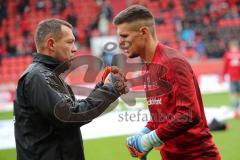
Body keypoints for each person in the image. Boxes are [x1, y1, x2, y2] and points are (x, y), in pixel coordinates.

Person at [113, 5, 221, 160]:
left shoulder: (172, 62)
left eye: (124, 36)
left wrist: (150, 139)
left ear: (144, 32)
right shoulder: (149, 67)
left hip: (197, 156)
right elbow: (164, 115)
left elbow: (189, 114)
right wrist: (146, 131)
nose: (120, 42)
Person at [14, 18, 128, 160]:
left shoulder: (48, 75)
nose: (75, 48)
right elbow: (71, 115)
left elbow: (74, 109)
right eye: (69, 42)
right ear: (51, 44)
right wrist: (110, 90)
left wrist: (103, 86)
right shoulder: (38, 77)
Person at [222, 40, 240, 117]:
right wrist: (224, 74)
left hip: (239, 77)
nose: (234, 48)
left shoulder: (237, 53)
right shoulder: (227, 54)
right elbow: (225, 65)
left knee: (234, 93)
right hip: (232, 77)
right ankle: (235, 108)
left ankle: (236, 108)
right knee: (233, 93)